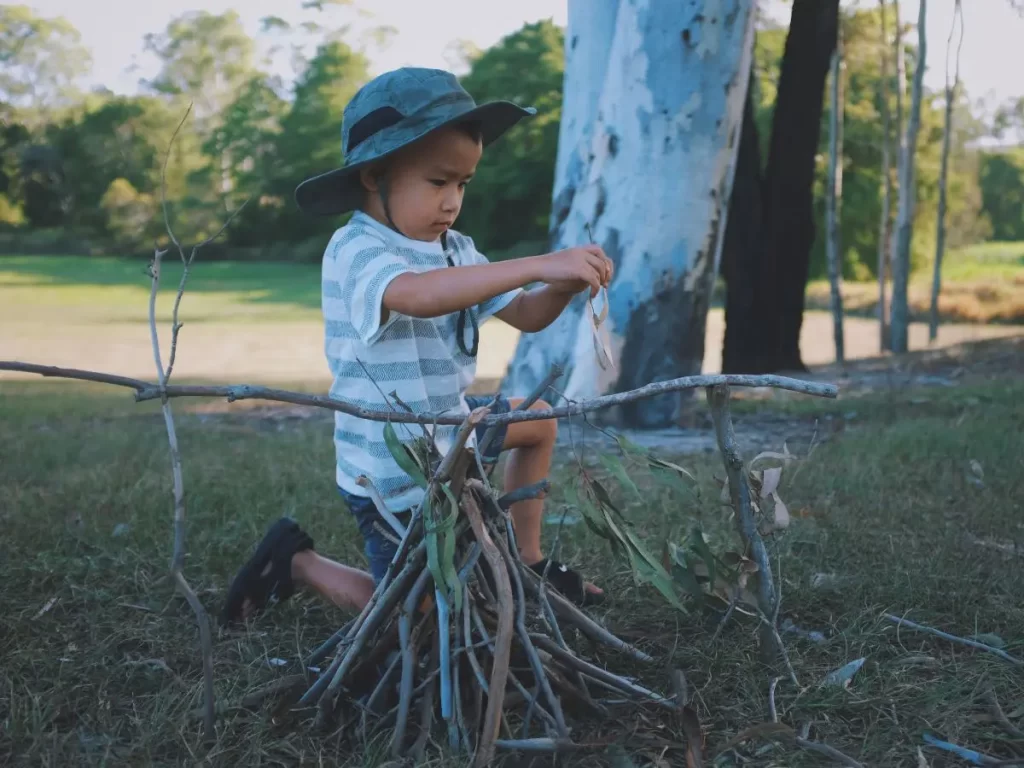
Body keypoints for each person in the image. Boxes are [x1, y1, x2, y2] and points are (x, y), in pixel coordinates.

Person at [220, 67, 612, 626]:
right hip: (390, 468)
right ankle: (298, 562)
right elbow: (415, 295)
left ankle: (528, 561)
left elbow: (526, 314)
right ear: (376, 175)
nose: (452, 202)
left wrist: (562, 285)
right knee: (421, 619)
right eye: (438, 182)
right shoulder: (357, 247)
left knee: (539, 419)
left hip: (453, 433)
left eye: (463, 185)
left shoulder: (457, 250)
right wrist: (535, 262)